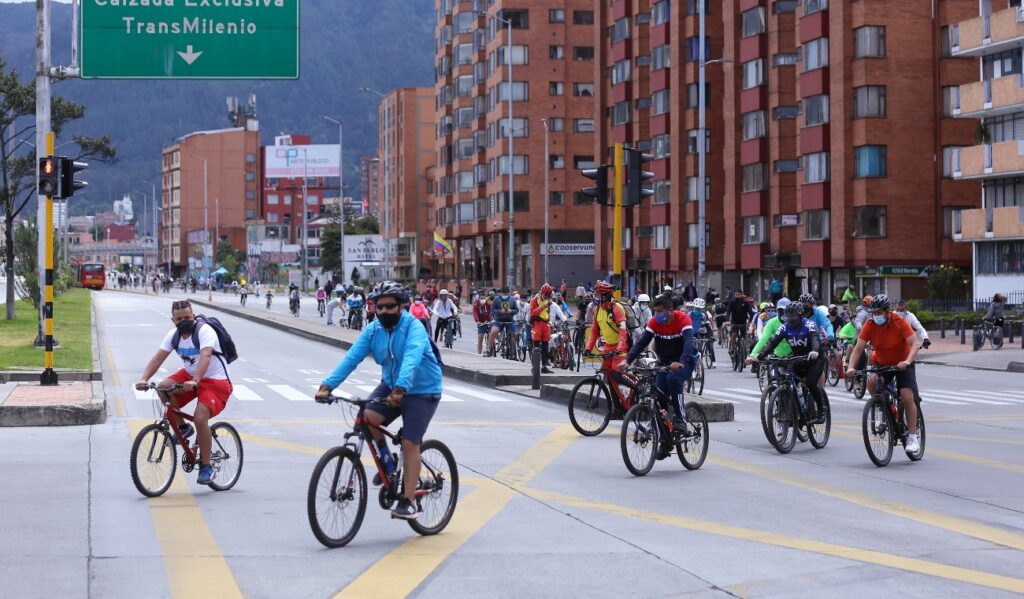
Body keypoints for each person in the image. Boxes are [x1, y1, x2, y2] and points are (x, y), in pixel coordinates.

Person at [315, 282, 443, 520]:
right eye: (378, 306)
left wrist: (401, 388)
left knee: (410, 443)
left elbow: (412, 358)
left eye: (389, 307)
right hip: (392, 385)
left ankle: (407, 501)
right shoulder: (373, 330)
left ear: (401, 306)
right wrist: (327, 385)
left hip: (422, 389)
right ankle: (389, 462)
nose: (383, 311)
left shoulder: (413, 327)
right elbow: (352, 358)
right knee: (367, 417)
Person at [135, 300, 233, 486]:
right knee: (163, 387)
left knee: (200, 418)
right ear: (173, 320)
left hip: (216, 381)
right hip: (190, 377)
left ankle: (206, 467)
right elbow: (157, 358)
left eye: (187, 317)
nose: (184, 321)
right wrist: (144, 379)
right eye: (179, 319)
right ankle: (182, 428)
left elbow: (205, 356)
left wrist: (195, 380)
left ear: (193, 315)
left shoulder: (204, 331)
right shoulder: (174, 336)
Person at [846, 294, 923, 455]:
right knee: (871, 382)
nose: (876, 316)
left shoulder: (900, 322)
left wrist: (908, 361)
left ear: (888, 311)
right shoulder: (870, 324)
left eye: (879, 313)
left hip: (903, 363)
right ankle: (884, 406)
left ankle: (912, 436)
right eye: (873, 313)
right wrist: (851, 367)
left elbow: (915, 343)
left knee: (906, 396)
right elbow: (859, 348)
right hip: (881, 362)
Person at [621, 294, 697, 448]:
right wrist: (627, 360)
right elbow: (642, 343)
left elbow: (689, 343)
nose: (657, 314)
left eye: (660, 311)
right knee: (658, 392)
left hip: (685, 360)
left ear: (670, 310)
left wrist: (681, 362)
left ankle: (681, 419)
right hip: (665, 362)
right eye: (655, 311)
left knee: (673, 380)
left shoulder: (683, 319)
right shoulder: (655, 322)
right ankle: (665, 439)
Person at [749, 302, 826, 424]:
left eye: (793, 317)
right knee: (788, 383)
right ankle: (794, 412)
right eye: (788, 317)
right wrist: (761, 355)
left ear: (800, 316)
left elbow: (815, 339)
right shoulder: (784, 327)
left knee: (811, 383)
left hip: (814, 359)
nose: (790, 319)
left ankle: (821, 411)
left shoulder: (809, 325)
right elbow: (772, 343)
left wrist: (815, 350)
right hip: (798, 359)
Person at [585, 281, 634, 410]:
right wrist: (588, 348)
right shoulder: (598, 310)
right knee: (609, 377)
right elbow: (594, 331)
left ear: (605, 295)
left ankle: (637, 388)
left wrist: (619, 348)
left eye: (598, 295)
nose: (595, 297)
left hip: (621, 346)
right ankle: (617, 409)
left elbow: (623, 330)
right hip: (608, 347)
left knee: (616, 374)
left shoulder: (617, 308)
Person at [749, 297, 794, 361]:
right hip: (777, 355)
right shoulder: (771, 322)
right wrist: (752, 355)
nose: (783, 313)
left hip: (793, 355)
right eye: (781, 310)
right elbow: (763, 338)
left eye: (786, 310)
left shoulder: (796, 321)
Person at [528, 284, 555, 372]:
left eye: (548, 296)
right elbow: (532, 313)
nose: (546, 297)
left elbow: (548, 313)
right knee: (535, 346)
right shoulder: (534, 300)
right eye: (545, 295)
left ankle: (544, 367)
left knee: (545, 347)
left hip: (546, 325)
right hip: (537, 324)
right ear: (541, 292)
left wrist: (550, 322)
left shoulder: (549, 301)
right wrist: (542, 307)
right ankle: (534, 367)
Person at [488, 287, 518, 357]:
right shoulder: (496, 299)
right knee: (492, 333)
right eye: (504, 294)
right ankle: (489, 350)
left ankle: (513, 351)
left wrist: (511, 311)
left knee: (514, 334)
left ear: (509, 293)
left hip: (510, 320)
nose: (505, 295)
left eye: (507, 294)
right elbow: (493, 310)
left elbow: (516, 310)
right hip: (499, 320)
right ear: (501, 293)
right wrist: (500, 312)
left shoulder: (512, 299)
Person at [689, 298, 716, 368]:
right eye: (697, 308)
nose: (698, 310)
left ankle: (713, 361)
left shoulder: (705, 314)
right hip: (693, 330)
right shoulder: (689, 314)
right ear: (694, 307)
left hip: (704, 328)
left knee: (710, 343)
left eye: (700, 308)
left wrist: (712, 333)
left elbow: (708, 323)